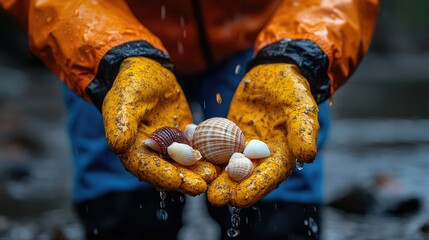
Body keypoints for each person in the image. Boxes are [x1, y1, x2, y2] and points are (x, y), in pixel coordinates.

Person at [0, 0, 379, 239]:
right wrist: (109, 53)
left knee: (278, 207)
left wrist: (299, 52)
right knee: (121, 205)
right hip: (110, 39)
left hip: (264, 40)